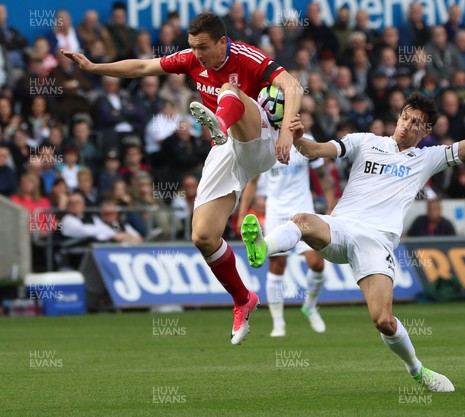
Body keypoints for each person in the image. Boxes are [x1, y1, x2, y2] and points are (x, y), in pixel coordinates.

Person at [241, 63, 465, 392]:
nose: (407, 125)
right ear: (398, 116)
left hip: (377, 245)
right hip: (341, 228)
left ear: (425, 131)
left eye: (417, 123)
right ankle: (261, 248)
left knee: (383, 320)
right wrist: (299, 136)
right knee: (301, 220)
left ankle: (417, 370)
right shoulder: (364, 142)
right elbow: (316, 150)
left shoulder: (427, 158)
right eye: (405, 117)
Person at [63, 11, 303, 344]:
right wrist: (94, 67)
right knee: (203, 236)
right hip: (227, 148)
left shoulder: (247, 56)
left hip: (259, 137)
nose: (197, 54)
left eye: (203, 47)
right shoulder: (191, 59)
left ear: (222, 42)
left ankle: (217, 123)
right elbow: (143, 67)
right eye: (193, 47)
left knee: (229, 92)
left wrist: (287, 132)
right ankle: (242, 299)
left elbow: (292, 85)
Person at [238, 111, 336, 337]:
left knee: (317, 264)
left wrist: (331, 204)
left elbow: (322, 176)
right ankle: (278, 323)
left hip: (303, 213)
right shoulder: (265, 145)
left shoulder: (304, 141)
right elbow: (252, 183)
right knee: (277, 267)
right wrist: (242, 213)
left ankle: (310, 307)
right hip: (276, 213)